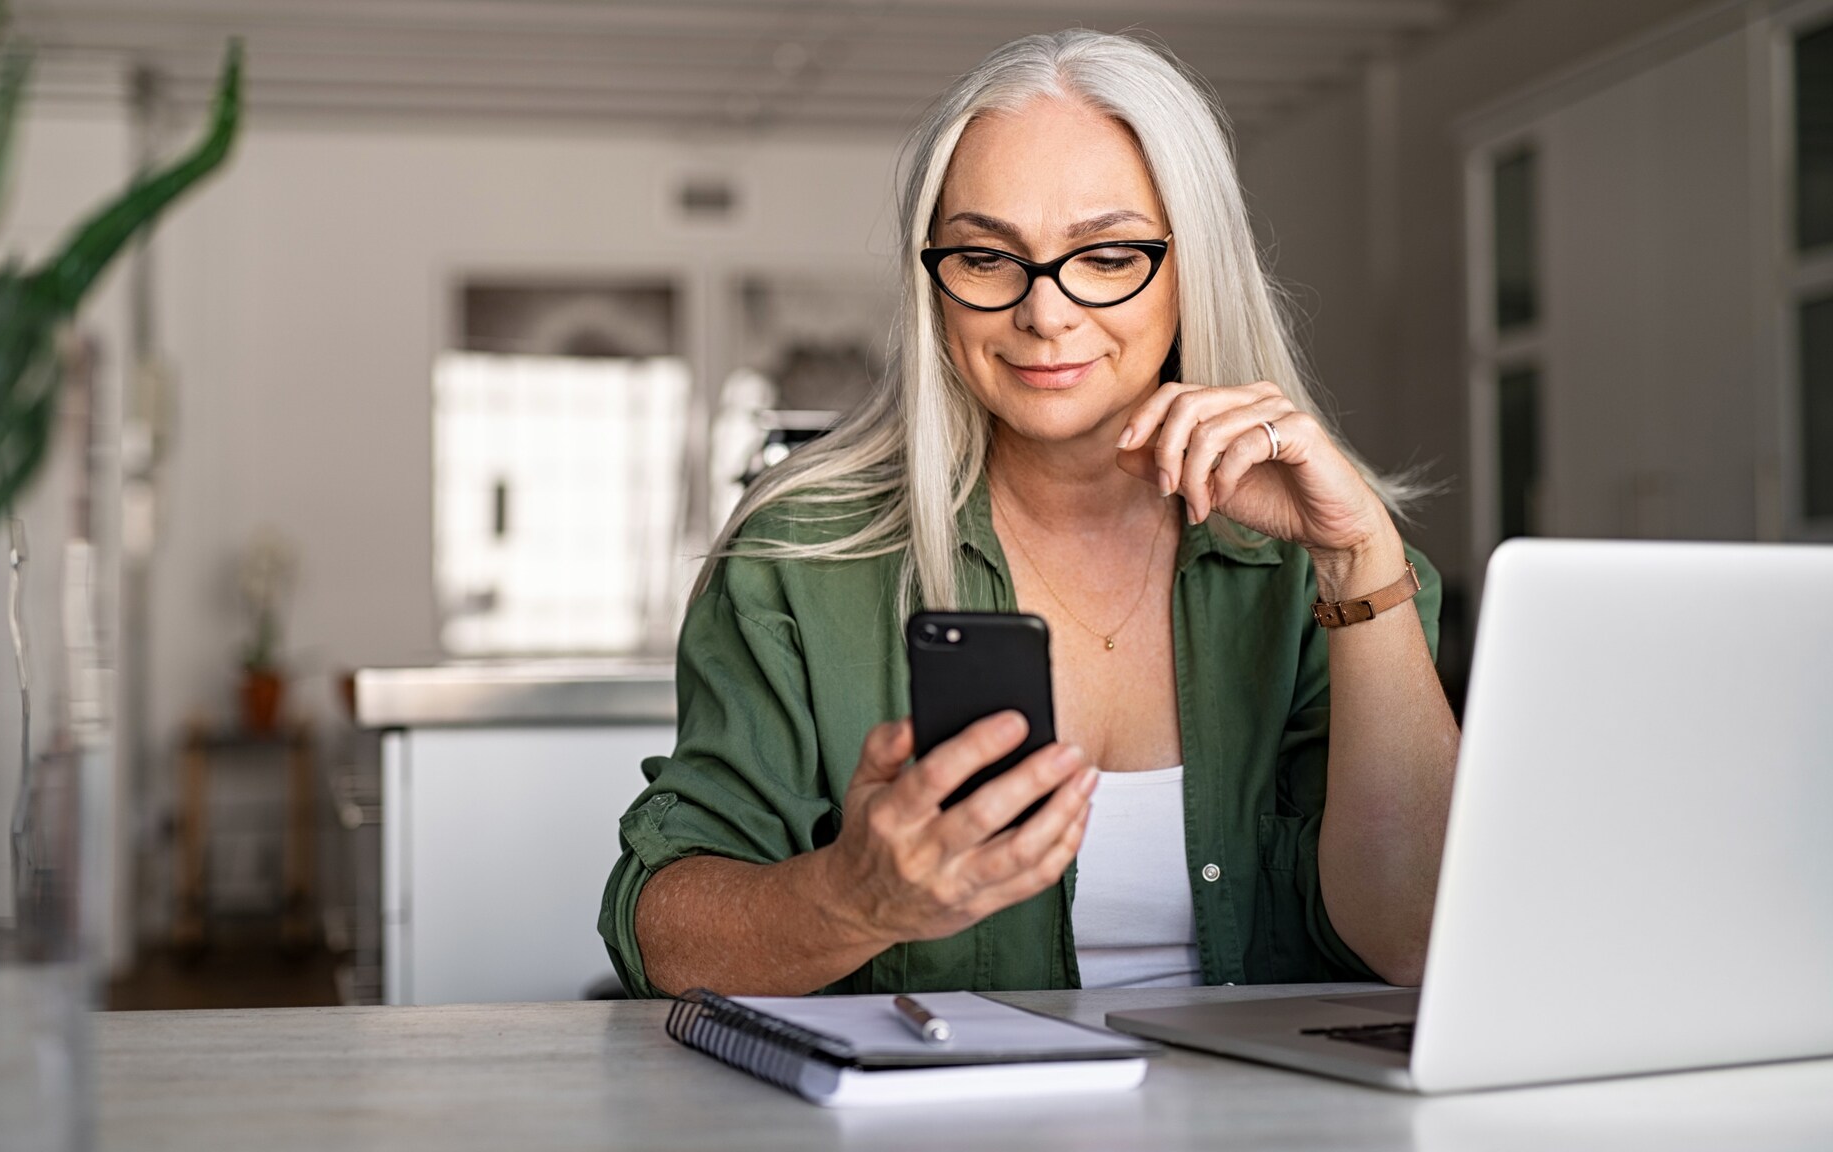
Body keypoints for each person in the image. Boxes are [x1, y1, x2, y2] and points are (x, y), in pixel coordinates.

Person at [598, 29, 1459, 998]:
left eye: (1105, 256)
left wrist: (1358, 564)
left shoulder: (1331, 568)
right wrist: (852, 898)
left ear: (1193, 267)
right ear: (933, 284)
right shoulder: (801, 554)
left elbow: (1416, 940)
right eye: (983, 257)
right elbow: (662, 937)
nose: (1043, 313)